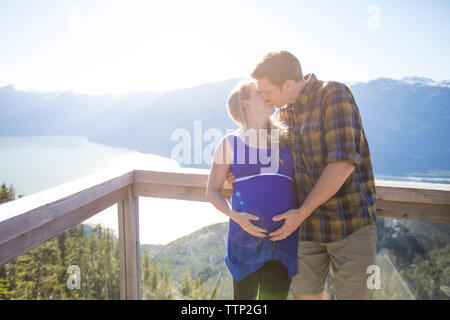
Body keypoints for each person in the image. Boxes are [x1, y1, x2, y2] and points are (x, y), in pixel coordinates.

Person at [226, 51, 378, 300]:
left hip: (349, 225)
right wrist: (236, 175)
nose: (264, 97)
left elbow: (342, 163)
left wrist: (301, 212)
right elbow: (270, 162)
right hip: (304, 231)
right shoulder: (284, 113)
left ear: (287, 84)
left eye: (267, 91)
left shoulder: (334, 95)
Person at [205, 81, 299, 300]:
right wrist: (235, 216)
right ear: (245, 103)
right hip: (244, 239)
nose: (267, 95)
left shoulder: (286, 140)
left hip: (282, 239)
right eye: (260, 92)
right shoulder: (229, 143)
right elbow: (212, 190)